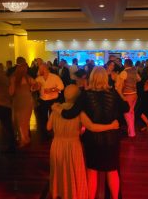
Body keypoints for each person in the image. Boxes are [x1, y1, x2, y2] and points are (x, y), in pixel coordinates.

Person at [53, 67, 129, 199]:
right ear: (106, 78)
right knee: (112, 170)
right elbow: (126, 107)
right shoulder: (113, 94)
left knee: (92, 171)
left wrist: (56, 108)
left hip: (93, 140)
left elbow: (70, 114)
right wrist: (119, 92)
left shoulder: (85, 95)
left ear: (91, 78)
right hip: (112, 138)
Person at [9, 62, 36, 147]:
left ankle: (23, 140)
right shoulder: (28, 78)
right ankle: (25, 139)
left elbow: (11, 92)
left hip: (19, 101)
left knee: (18, 121)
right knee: (24, 121)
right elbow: (37, 85)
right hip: (27, 100)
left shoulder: (14, 78)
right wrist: (31, 89)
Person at [35, 63, 64, 139]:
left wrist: (52, 90)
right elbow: (36, 89)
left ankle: (55, 133)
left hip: (53, 100)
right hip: (43, 100)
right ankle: (45, 135)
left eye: (40, 69)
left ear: (45, 69)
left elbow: (61, 87)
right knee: (43, 118)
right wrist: (36, 87)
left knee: (54, 117)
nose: (39, 70)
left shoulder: (55, 77)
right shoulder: (38, 78)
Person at [116, 59, 141, 137]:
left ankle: (132, 133)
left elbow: (118, 87)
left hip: (128, 94)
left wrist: (122, 97)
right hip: (135, 94)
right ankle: (131, 131)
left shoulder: (124, 72)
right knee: (131, 113)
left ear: (125, 64)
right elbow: (139, 79)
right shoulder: (134, 71)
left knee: (127, 113)